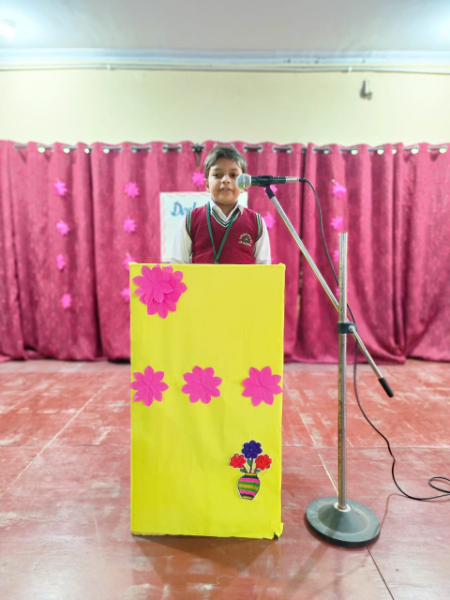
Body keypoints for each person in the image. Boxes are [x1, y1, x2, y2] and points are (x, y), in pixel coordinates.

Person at [171, 145, 271, 264]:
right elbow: (178, 265)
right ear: (207, 185)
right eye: (217, 175)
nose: (225, 180)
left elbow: (264, 268)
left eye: (233, 175)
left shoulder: (256, 222)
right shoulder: (190, 219)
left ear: (243, 186)